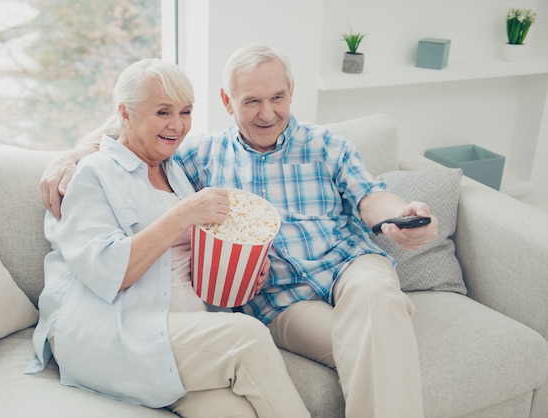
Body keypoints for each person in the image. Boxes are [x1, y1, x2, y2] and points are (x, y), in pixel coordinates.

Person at [40, 44, 438, 418]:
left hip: (348, 266)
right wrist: (73, 154)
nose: (267, 113)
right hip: (283, 302)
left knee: (377, 299)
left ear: (291, 93)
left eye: (277, 98)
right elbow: (128, 147)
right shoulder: (198, 158)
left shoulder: (325, 145)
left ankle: (382, 324)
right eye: (252, 101)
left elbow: (370, 197)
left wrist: (399, 214)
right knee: (374, 343)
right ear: (227, 102)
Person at [27, 58, 311, 418]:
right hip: (117, 333)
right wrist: (185, 213)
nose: (177, 125)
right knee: (248, 335)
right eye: (162, 112)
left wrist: (243, 275)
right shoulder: (93, 174)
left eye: (186, 111)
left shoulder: (175, 170)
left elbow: (187, 264)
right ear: (126, 114)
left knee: (233, 411)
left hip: (180, 338)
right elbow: (109, 273)